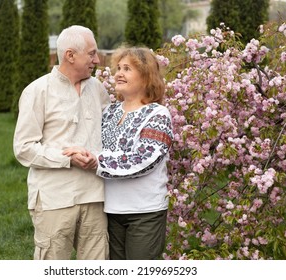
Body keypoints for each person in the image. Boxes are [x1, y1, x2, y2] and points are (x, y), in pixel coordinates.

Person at [64, 46, 173, 260]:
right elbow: (93, 143)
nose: (119, 74)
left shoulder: (158, 114)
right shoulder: (110, 112)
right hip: (112, 209)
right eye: (119, 68)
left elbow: (144, 158)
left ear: (146, 76)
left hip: (145, 212)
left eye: (128, 69)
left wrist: (97, 161)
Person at [13, 25, 110, 260]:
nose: (97, 60)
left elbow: (110, 135)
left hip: (95, 195)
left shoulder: (98, 89)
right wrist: (68, 159)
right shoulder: (37, 91)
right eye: (91, 53)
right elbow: (24, 148)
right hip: (54, 198)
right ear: (70, 55)